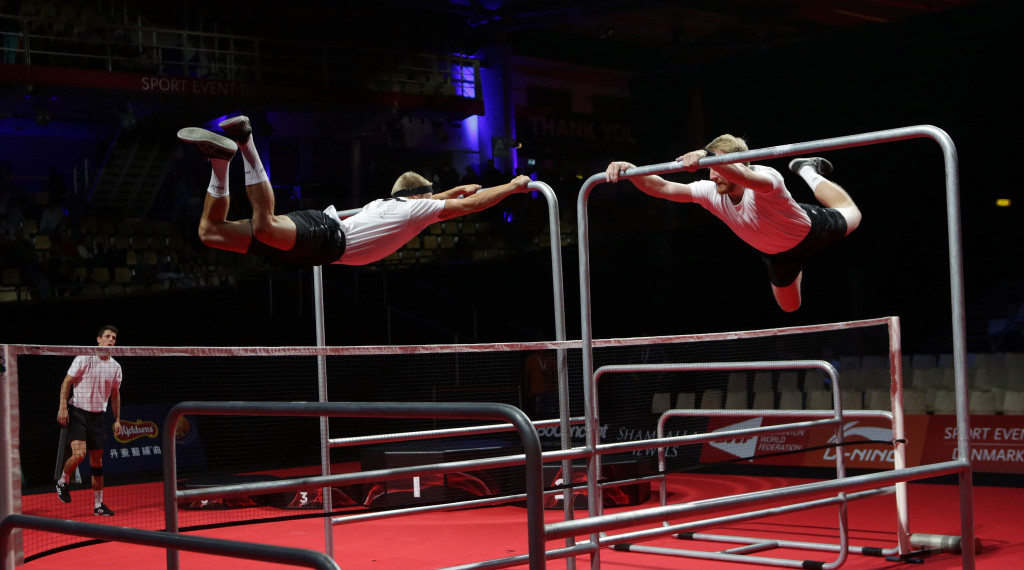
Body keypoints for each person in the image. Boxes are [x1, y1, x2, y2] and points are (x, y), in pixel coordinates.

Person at [177, 116, 533, 266]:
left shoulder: (392, 205)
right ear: (418, 198)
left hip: (317, 248)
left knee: (209, 233)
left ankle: (220, 163)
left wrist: (454, 189)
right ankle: (245, 142)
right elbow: (468, 207)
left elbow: (438, 198)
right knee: (265, 226)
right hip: (325, 237)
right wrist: (512, 186)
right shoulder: (412, 211)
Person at [606, 134, 861, 312]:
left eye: (716, 165)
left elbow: (739, 173)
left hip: (812, 229)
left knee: (853, 214)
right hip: (778, 254)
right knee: (790, 307)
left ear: (740, 164)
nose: (713, 174)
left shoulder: (766, 179)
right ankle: (796, 266)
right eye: (709, 167)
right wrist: (631, 170)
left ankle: (807, 170)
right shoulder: (710, 191)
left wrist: (706, 154)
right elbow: (662, 187)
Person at [56, 325, 122, 516]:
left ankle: (98, 505)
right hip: (78, 412)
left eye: (114, 338)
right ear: (98, 340)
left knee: (97, 462)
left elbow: (116, 395)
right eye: (108, 337)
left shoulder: (116, 367)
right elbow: (66, 382)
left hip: (97, 417)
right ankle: (63, 481)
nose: (111, 340)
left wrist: (117, 419)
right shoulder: (84, 358)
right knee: (79, 454)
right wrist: (62, 406)